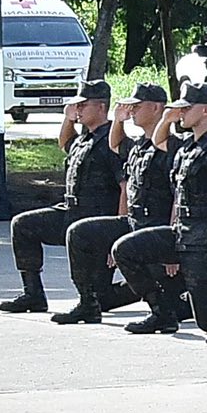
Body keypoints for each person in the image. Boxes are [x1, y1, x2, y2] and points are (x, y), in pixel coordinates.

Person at [112, 81, 207, 336]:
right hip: (181, 233)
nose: (181, 113)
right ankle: (161, 313)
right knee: (125, 249)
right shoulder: (187, 146)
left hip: (203, 242)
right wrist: (168, 118)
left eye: (186, 108)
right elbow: (159, 140)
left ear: (206, 110)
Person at [0, 80, 124, 313]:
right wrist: (68, 118)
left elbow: (125, 187)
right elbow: (65, 142)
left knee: (101, 297)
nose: (78, 109)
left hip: (97, 220)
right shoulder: (84, 138)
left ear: (101, 107)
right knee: (23, 225)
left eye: (83, 105)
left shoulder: (112, 141)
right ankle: (33, 294)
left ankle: (156, 291)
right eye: (77, 105)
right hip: (71, 211)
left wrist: (118, 231)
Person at [54, 83, 174, 325]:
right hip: (135, 222)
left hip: (157, 224)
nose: (132, 111)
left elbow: (177, 196)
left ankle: (163, 308)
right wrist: (118, 121)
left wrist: (173, 241)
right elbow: (115, 144)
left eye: (137, 106)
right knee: (79, 232)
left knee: (204, 314)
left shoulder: (172, 147)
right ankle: (88, 304)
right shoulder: (137, 145)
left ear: (156, 108)